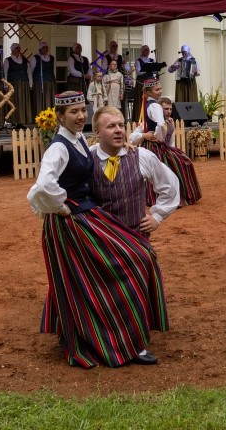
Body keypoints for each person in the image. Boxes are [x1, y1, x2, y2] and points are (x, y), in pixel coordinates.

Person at [26, 91, 166, 368]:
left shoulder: (77, 140)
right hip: (72, 222)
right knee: (133, 260)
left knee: (114, 270)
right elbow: (42, 186)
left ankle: (117, 337)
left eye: (82, 110)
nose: (80, 116)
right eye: (73, 112)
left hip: (85, 217)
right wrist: (61, 206)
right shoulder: (58, 147)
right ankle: (120, 342)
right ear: (59, 116)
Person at [89, 105, 180, 234]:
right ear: (97, 132)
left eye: (121, 125)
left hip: (134, 238)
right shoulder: (87, 158)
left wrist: (157, 217)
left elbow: (170, 185)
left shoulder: (142, 156)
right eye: (111, 126)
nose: (119, 130)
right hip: (100, 239)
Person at [133, 76, 202, 205]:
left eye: (160, 89)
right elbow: (160, 124)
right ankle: (173, 198)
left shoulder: (150, 106)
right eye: (157, 89)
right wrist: (158, 138)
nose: (160, 91)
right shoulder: (155, 106)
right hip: (155, 146)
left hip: (153, 145)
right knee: (179, 164)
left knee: (175, 163)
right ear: (148, 92)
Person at [3, 43, 32, 126]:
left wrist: (30, 84)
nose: (18, 50)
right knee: (14, 101)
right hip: (13, 83)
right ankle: (13, 121)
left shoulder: (24, 60)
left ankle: (21, 121)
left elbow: (29, 72)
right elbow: (5, 73)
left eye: (19, 48)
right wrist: (5, 85)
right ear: (12, 50)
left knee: (23, 102)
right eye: (16, 48)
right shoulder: (7, 60)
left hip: (24, 83)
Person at [30, 41, 57, 120]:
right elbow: (31, 70)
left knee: (50, 99)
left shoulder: (51, 57)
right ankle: (40, 117)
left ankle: (50, 116)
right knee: (40, 99)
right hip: (39, 82)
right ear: (40, 49)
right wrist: (31, 83)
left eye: (46, 47)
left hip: (50, 81)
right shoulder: (35, 58)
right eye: (43, 48)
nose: (45, 49)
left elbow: (53, 69)